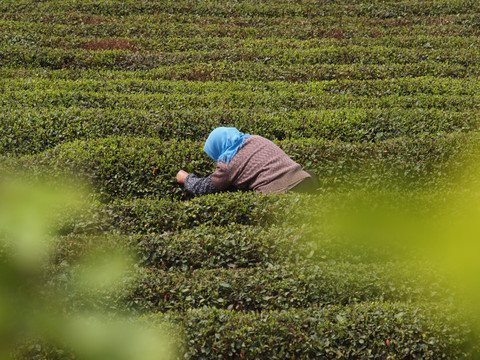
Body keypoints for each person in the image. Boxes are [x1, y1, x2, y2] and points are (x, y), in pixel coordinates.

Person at [176, 127, 318, 195]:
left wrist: (186, 178)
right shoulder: (254, 138)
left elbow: (204, 188)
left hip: (283, 193)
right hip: (306, 179)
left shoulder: (227, 164)